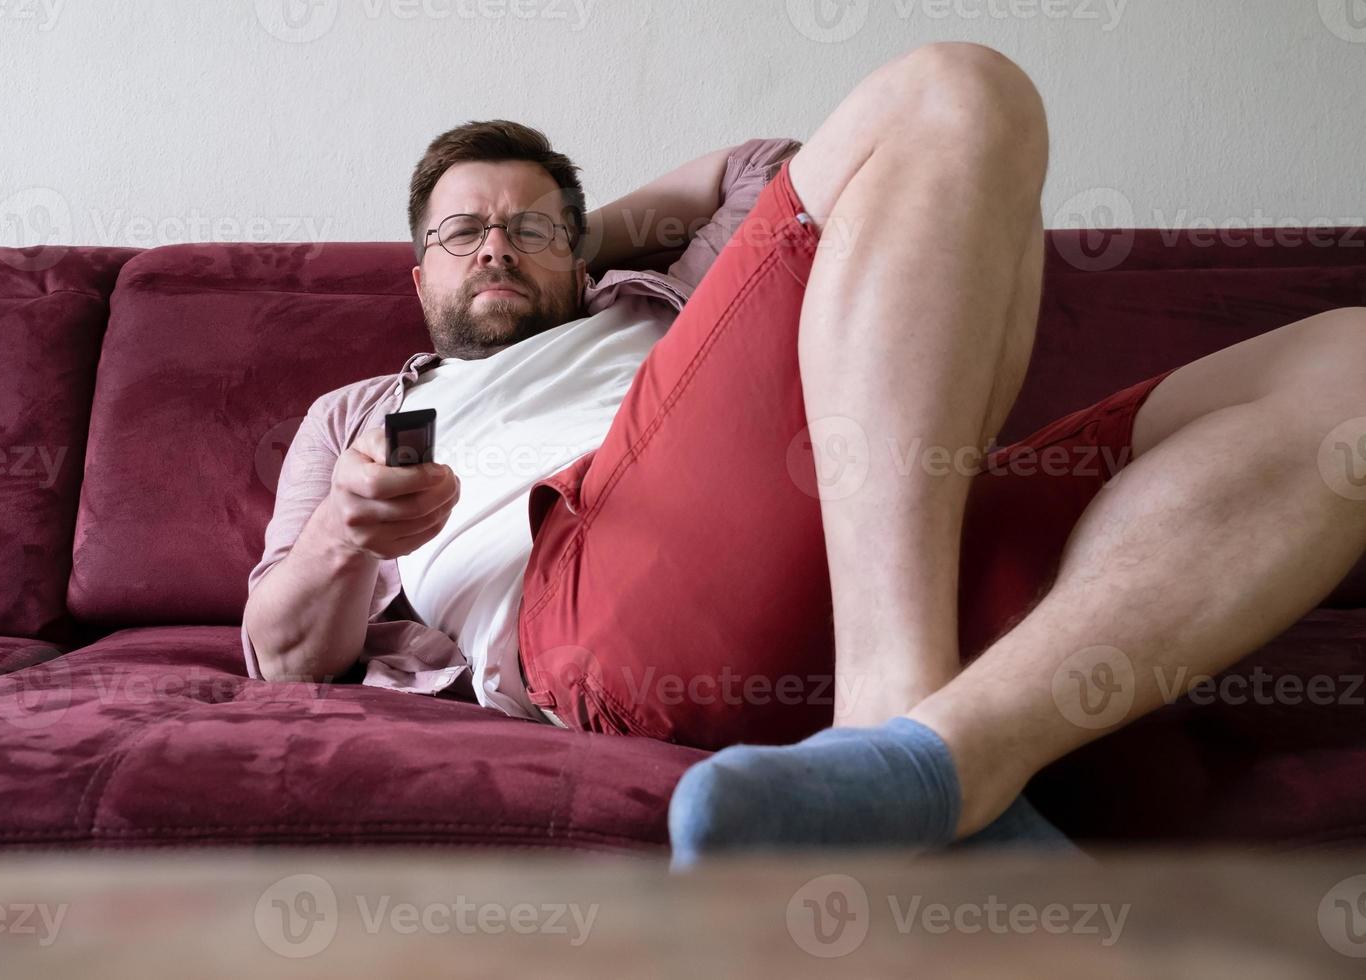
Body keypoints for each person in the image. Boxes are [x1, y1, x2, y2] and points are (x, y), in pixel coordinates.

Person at [242, 42, 1366, 868]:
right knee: (956, 86)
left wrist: (578, 243)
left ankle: (932, 756)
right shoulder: (357, 416)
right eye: (459, 230)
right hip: (611, 588)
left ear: (582, 253)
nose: (494, 244)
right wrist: (348, 527)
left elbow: (775, 167)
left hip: (889, 541)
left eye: (531, 227)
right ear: (415, 273)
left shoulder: (662, 305)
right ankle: (900, 717)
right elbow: (280, 658)